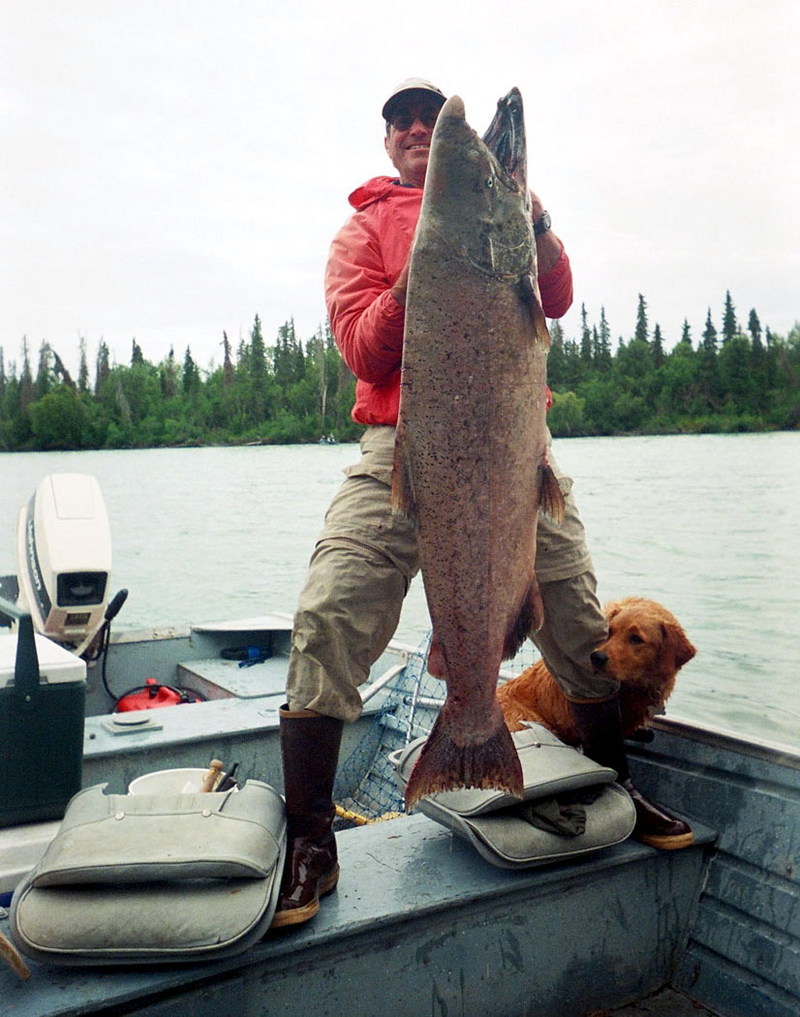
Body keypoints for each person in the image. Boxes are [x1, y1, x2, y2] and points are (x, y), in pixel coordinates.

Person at [270, 78, 693, 929]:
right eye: (402, 122)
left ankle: (618, 786)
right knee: (328, 615)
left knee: (581, 627)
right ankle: (312, 838)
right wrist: (423, 280)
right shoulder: (362, 232)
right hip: (404, 448)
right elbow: (358, 341)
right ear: (388, 143)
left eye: (428, 118)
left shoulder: (502, 209)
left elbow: (559, 293)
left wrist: (530, 218)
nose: (419, 129)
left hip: (513, 453)